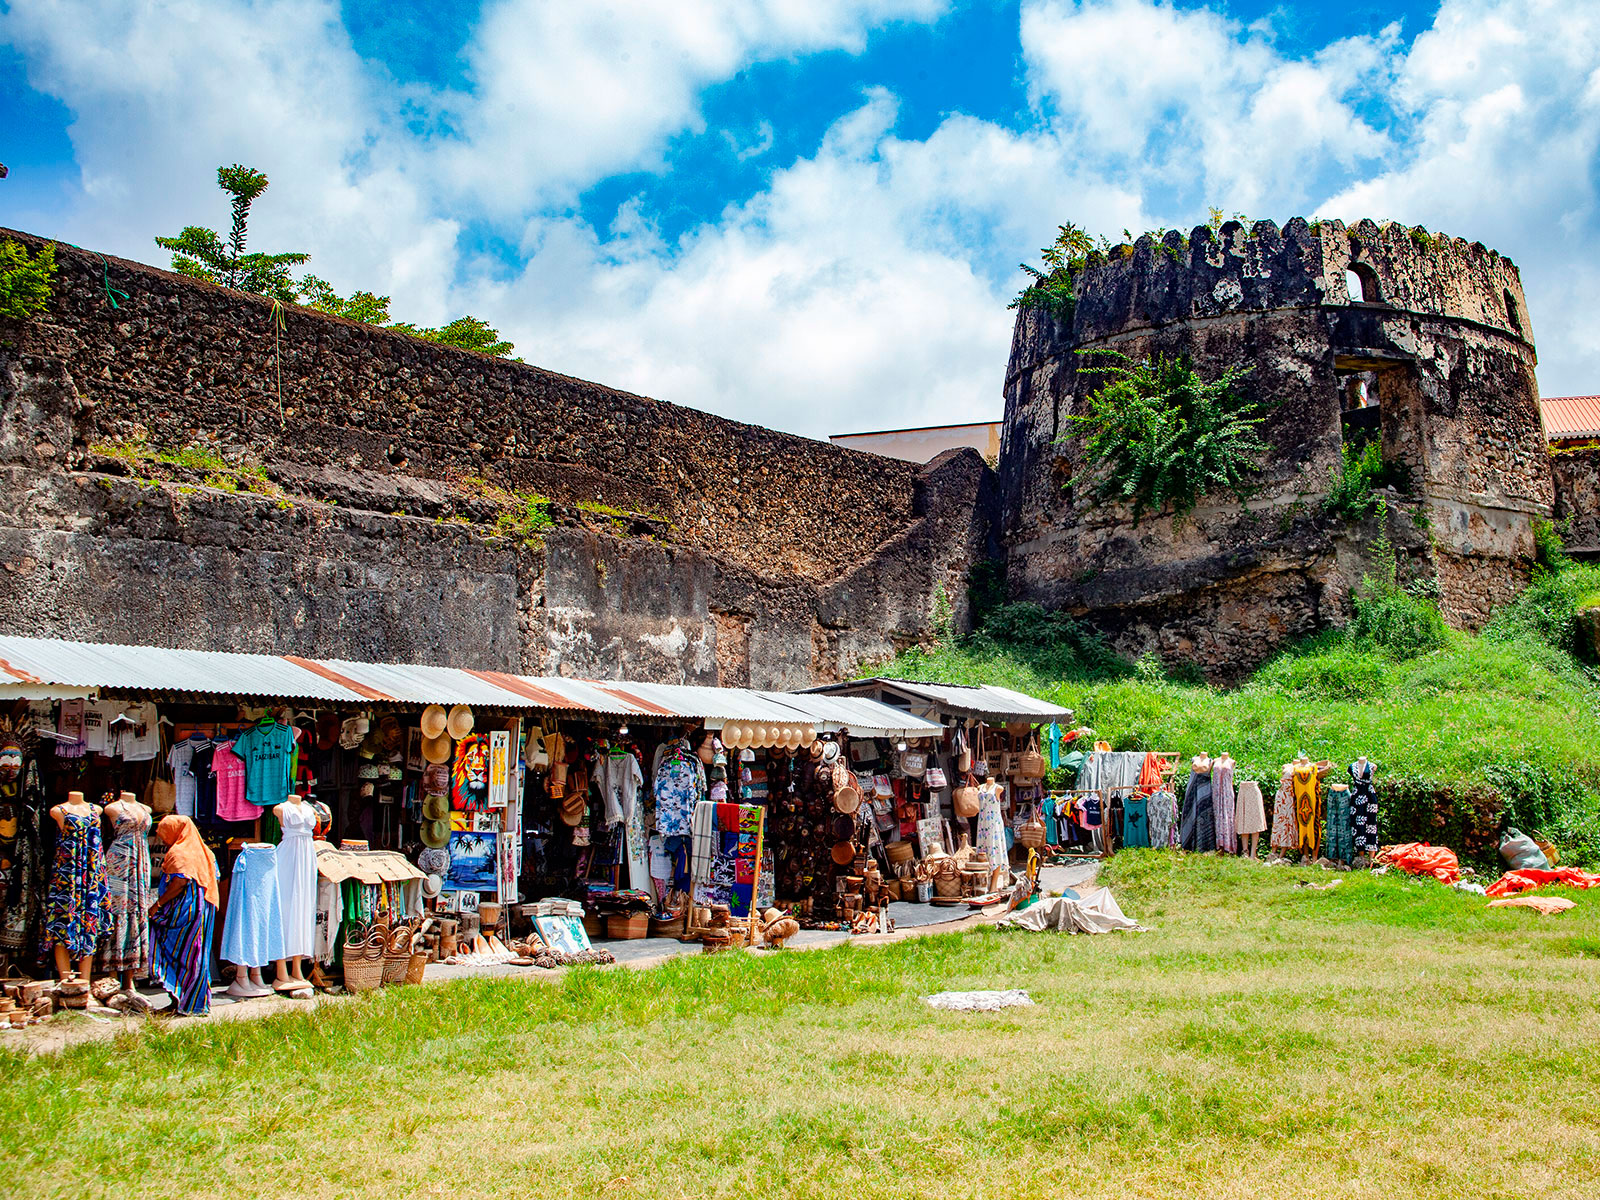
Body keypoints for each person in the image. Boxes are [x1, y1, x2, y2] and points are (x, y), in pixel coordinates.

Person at [148, 815, 219, 1017]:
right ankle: (193, 1003)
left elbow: (179, 883)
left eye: (164, 834)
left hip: (185, 911)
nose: (162, 840)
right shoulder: (206, 852)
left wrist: (158, 905)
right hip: (203, 910)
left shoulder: (180, 852)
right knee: (196, 956)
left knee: (177, 952)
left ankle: (182, 1002)